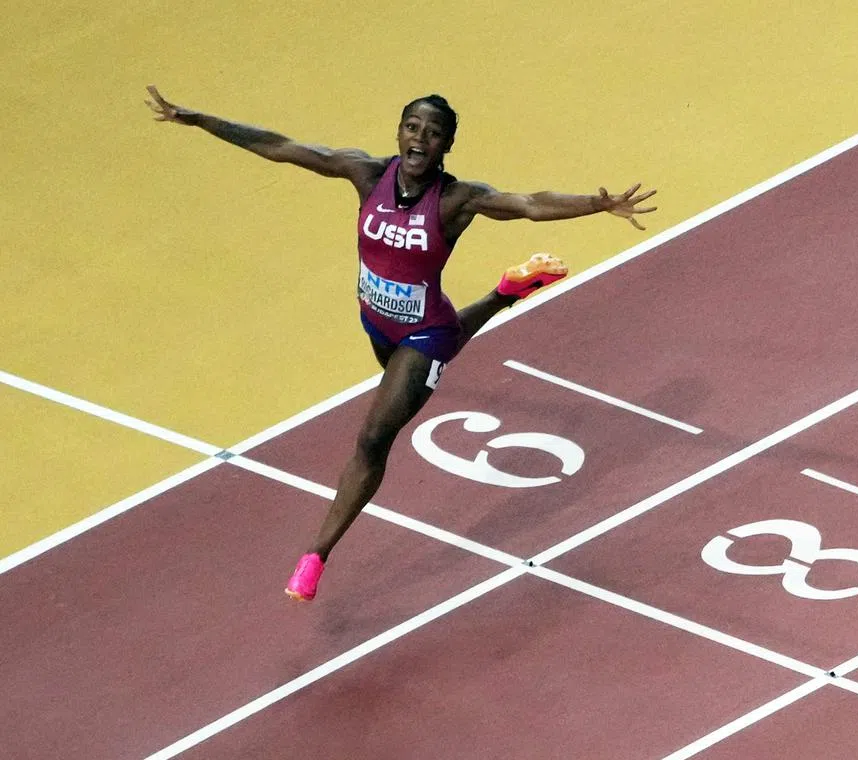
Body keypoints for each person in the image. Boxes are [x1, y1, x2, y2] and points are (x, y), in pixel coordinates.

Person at [145, 86, 658, 601]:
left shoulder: (458, 200)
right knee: (411, 376)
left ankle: (315, 557)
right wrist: (199, 119)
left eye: (433, 133)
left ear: (446, 146)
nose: (421, 138)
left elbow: (528, 204)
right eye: (413, 126)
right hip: (376, 323)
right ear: (399, 132)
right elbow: (280, 146)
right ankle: (507, 292)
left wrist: (598, 204)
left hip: (424, 331)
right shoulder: (366, 174)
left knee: (373, 438)